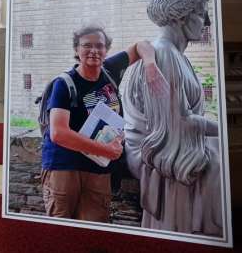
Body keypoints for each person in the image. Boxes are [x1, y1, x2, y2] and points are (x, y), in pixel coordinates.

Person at [121, 0, 222, 235]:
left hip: (172, 141)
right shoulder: (164, 55)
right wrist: (221, 129)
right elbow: (176, 123)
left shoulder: (171, 54)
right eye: (201, 14)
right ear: (180, 17)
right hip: (156, 150)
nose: (207, 22)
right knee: (217, 160)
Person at [41, 24, 158, 222]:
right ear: (76, 50)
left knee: (94, 232)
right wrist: (105, 150)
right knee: (61, 233)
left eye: (100, 46)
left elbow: (142, 45)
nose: (94, 50)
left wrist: (150, 65)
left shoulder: (110, 71)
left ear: (106, 50)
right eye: (87, 45)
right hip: (65, 168)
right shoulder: (65, 84)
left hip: (99, 169)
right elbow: (58, 133)